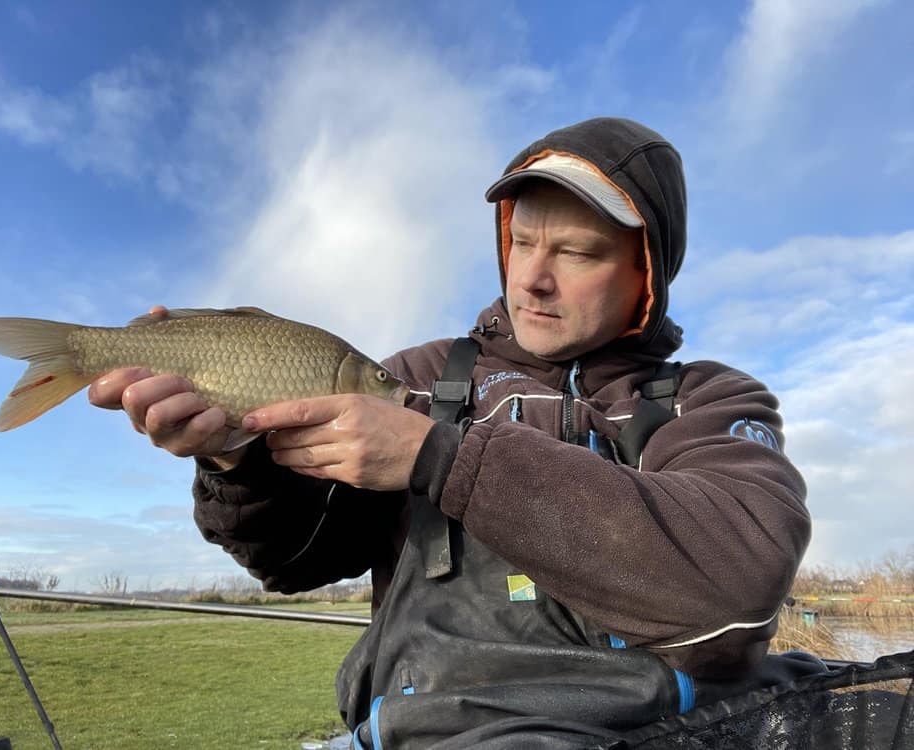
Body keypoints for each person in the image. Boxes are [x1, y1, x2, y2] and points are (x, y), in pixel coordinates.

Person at [90, 117, 822, 748]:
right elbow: (295, 560)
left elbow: (739, 592)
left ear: (648, 271)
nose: (532, 277)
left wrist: (442, 455)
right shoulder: (418, 376)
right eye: (524, 241)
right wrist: (235, 462)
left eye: (576, 253)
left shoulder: (705, 400)